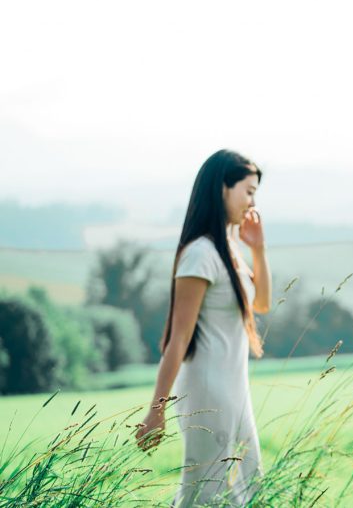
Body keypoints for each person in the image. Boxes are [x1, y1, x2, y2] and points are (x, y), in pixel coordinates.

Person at [136, 149, 272, 507]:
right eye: (248, 190)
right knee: (206, 490)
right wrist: (157, 409)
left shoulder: (229, 249)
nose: (252, 201)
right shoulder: (201, 254)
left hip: (233, 387)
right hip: (208, 389)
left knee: (248, 485)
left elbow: (261, 304)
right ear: (222, 190)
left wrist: (258, 249)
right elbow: (178, 338)